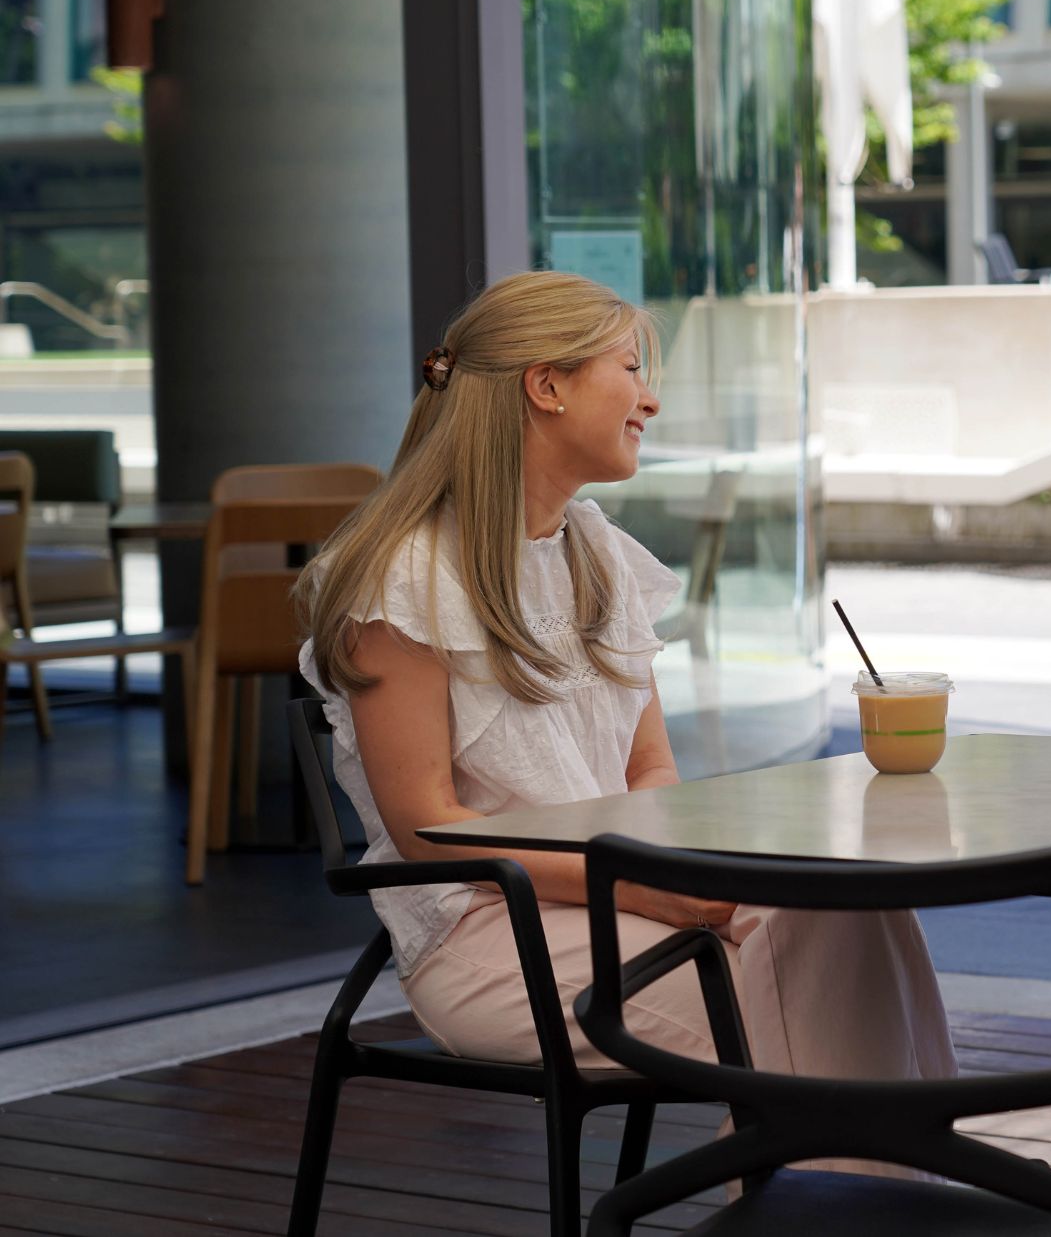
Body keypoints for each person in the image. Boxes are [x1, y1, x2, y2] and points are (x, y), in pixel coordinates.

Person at [297, 272, 955, 1176]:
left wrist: (676, 876)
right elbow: (427, 831)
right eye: (631, 366)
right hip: (496, 936)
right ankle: (859, 1201)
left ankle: (862, 1194)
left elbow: (651, 774)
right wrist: (648, 889)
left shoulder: (597, 554)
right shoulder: (401, 580)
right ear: (547, 383)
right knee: (799, 990)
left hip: (615, 901)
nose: (650, 396)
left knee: (850, 914)